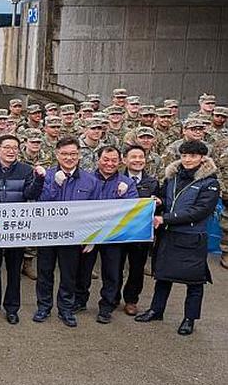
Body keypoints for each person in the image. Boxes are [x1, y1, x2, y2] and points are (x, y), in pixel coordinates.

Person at [136, 140, 219, 335]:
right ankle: (156, 310)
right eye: (184, 155)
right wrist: (159, 202)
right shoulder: (172, 177)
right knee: (163, 275)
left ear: (202, 158)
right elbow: (168, 200)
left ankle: (189, 318)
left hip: (191, 236)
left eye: (193, 156)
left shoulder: (210, 182)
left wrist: (165, 218)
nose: (188, 160)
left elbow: (199, 211)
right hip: (169, 235)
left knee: (195, 281)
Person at [34, 137, 101, 328]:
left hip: (74, 236)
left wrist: (92, 238)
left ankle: (66, 309)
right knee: (44, 272)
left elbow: (95, 212)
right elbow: (40, 203)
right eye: (64, 154)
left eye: (73, 154)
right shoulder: (46, 176)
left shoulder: (90, 180)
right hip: (47, 234)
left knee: (69, 274)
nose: (69, 158)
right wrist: (55, 184)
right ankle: (44, 307)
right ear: (57, 154)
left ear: (79, 155)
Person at [0, 135, 44, 324]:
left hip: (16, 228)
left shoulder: (26, 170)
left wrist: (39, 179)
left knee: (14, 269)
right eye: (6, 147)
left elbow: (30, 194)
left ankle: (12, 307)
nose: (11, 151)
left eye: (14, 147)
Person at [79, 146, 137, 324]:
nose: (109, 164)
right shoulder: (86, 179)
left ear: (120, 162)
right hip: (90, 234)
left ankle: (106, 307)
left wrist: (123, 196)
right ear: (98, 160)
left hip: (114, 235)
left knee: (111, 272)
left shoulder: (127, 182)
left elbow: (133, 208)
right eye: (106, 159)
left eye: (114, 160)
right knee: (83, 270)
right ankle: (79, 301)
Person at [120, 145, 160, 315]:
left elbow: (159, 206)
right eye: (133, 157)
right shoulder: (116, 179)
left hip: (140, 233)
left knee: (137, 268)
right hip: (118, 232)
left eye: (141, 157)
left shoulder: (152, 182)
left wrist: (159, 202)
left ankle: (131, 300)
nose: (137, 160)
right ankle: (111, 297)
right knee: (114, 267)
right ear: (124, 160)